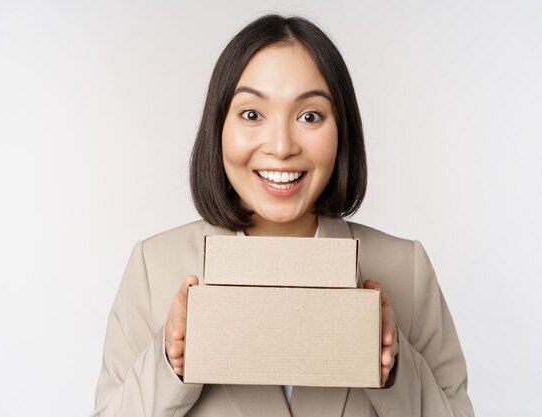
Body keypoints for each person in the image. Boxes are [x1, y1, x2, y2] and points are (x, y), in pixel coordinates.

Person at [91, 14, 475, 417]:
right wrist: (169, 363)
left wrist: (394, 366)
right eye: (252, 114)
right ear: (218, 125)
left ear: (342, 130)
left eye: (310, 116)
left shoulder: (406, 269)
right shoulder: (155, 267)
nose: (281, 146)